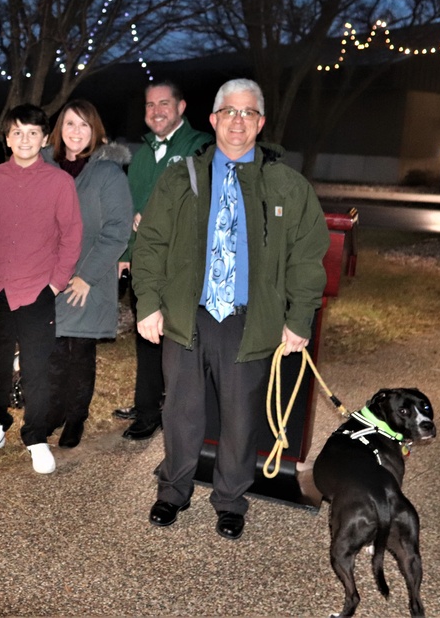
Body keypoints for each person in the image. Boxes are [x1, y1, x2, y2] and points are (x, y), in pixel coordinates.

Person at [133, 78, 329, 539]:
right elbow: (151, 244)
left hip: (248, 319)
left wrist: (299, 317)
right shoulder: (182, 176)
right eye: (229, 111)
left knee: (242, 416)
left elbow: (306, 255)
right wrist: (148, 303)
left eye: (248, 113)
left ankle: (230, 501)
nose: (237, 121)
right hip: (187, 314)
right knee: (180, 411)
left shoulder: (286, 184)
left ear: (260, 122)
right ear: (213, 119)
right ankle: (173, 491)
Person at [0, 103, 82, 474]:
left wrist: (54, 284)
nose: (24, 139)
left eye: (33, 132)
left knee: (37, 368)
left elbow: (71, 236)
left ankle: (36, 436)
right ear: (8, 138)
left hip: (36, 291)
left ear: (45, 139)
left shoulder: (59, 182)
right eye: (17, 132)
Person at [115, 81, 212, 441]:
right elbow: (130, 208)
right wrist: (126, 255)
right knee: (147, 339)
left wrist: (160, 220)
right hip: (146, 263)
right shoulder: (142, 154)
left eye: (164, 104)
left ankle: (176, 410)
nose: (156, 110)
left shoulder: (199, 146)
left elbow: (203, 203)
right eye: (150, 104)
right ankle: (147, 406)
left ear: (181, 107)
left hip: (183, 266)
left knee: (182, 342)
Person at [43, 99, 133, 449]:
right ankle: (53, 412)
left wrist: (86, 277)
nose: (76, 132)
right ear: (59, 130)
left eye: (83, 125)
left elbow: (117, 230)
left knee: (78, 351)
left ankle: (75, 417)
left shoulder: (108, 172)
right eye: (69, 124)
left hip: (87, 277)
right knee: (50, 350)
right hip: (47, 277)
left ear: (94, 130)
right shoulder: (45, 166)